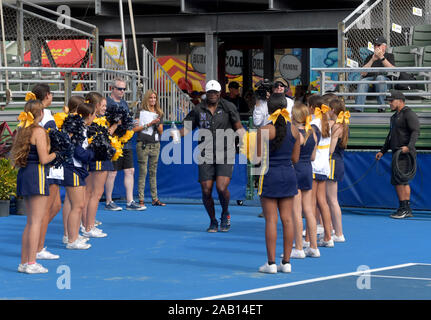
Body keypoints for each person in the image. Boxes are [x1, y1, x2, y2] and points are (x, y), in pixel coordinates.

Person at [176, 80, 245, 232]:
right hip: (205, 153)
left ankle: (225, 213)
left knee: (221, 187)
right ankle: (213, 221)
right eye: (210, 92)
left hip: (226, 151)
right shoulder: (198, 109)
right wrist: (175, 134)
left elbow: (238, 127)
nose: (212, 95)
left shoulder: (228, 107)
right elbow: (186, 129)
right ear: (206, 94)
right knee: (206, 189)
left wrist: (245, 140)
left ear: (220, 93)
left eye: (215, 92)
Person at [10, 100, 57, 273]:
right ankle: (31, 263)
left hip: (24, 174)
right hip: (37, 174)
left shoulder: (22, 129)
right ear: (41, 113)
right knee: (36, 221)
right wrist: (58, 153)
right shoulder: (38, 131)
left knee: (30, 222)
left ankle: (24, 262)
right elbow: (44, 159)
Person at [256, 93, 300, 273]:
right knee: (288, 220)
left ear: (269, 109)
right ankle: (287, 263)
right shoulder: (295, 130)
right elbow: (295, 159)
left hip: (269, 174)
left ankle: (271, 263)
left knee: (271, 220)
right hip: (289, 174)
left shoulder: (264, 130)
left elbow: (257, 159)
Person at [27, 84, 62, 261]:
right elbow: (50, 140)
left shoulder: (37, 113)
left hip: (49, 163)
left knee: (55, 207)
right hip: (47, 165)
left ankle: (36, 245)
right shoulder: (44, 115)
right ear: (47, 95)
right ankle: (37, 248)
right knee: (45, 210)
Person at [376, 90, 420, 219]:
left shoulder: (409, 114)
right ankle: (405, 208)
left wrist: (409, 147)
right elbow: (390, 136)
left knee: (401, 181)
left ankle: (404, 209)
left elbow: (415, 132)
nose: (389, 103)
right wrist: (382, 151)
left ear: (400, 101)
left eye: (391, 101)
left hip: (405, 153)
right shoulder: (394, 116)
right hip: (396, 153)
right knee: (399, 181)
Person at [104, 78, 145, 211]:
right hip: (113, 142)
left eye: (123, 89)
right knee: (112, 172)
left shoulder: (124, 103)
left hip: (125, 141)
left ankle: (130, 201)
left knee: (130, 170)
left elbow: (126, 121)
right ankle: (109, 201)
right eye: (119, 88)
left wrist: (132, 123)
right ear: (112, 89)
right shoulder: (107, 103)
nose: (122, 91)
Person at [82, 92, 117, 238]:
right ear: (96, 106)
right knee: (95, 194)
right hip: (99, 159)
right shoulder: (96, 122)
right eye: (103, 105)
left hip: (94, 159)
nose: (105, 108)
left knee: (90, 193)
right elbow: (103, 141)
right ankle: (89, 227)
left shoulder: (94, 121)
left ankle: (87, 225)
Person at [63, 102, 96, 249]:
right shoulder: (77, 128)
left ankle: (74, 236)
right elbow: (78, 152)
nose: (95, 117)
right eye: (94, 114)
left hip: (79, 168)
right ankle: (71, 240)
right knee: (77, 206)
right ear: (89, 115)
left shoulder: (83, 128)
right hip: (73, 168)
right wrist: (93, 152)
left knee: (80, 205)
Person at [290, 103, 320, 259]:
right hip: (308, 170)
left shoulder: (295, 133)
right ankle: (314, 247)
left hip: (296, 169)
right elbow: (313, 157)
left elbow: (292, 155)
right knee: (309, 210)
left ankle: (299, 248)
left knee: (296, 211)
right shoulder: (313, 133)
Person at [308, 95, 334, 248]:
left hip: (313, 166)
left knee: (310, 203)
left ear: (312, 107)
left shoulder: (313, 123)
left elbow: (312, 147)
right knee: (322, 201)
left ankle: (307, 241)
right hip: (324, 166)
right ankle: (328, 237)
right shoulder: (325, 122)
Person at [134, 89, 166, 208]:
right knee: (143, 172)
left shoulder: (159, 112)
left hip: (155, 144)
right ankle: (141, 199)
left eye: (154, 98)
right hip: (143, 144)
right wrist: (149, 124)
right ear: (146, 99)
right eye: (150, 98)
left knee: (153, 172)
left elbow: (161, 131)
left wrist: (157, 124)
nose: (153, 100)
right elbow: (134, 129)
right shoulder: (140, 111)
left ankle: (155, 199)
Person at [327, 98, 350, 242]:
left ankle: (339, 233)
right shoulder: (341, 125)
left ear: (333, 110)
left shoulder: (337, 127)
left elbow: (330, 149)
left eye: (328, 109)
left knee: (331, 200)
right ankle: (334, 231)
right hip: (336, 161)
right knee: (329, 200)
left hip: (333, 162)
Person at [355, 36, 395, 112]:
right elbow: (363, 73)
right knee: (363, 81)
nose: (376, 47)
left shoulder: (389, 56)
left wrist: (381, 57)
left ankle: (382, 107)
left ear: (384, 46)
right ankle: (358, 109)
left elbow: (392, 69)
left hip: (384, 81)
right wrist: (372, 60)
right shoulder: (369, 57)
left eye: (378, 45)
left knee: (380, 78)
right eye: (375, 45)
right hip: (370, 82)